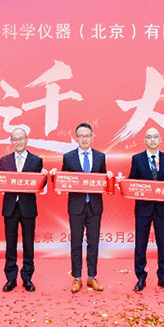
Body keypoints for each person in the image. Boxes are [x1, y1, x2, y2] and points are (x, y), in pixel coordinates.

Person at [58, 123, 111, 293]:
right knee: (76, 242)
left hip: (94, 206)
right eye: (81, 136)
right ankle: (77, 278)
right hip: (76, 206)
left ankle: (91, 277)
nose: (84, 139)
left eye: (87, 135)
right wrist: (53, 176)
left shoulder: (100, 157)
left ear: (92, 137)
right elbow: (63, 180)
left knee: (93, 243)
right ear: (76, 138)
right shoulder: (69, 157)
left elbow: (103, 180)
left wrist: (109, 177)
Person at [129, 127, 164, 292]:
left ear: (160, 140)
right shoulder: (137, 159)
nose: (152, 140)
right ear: (145, 140)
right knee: (140, 244)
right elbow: (132, 181)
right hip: (143, 209)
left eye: (155, 137)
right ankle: (140, 277)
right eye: (149, 137)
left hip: (161, 209)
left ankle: (163, 277)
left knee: (163, 244)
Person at [0, 128, 46, 293]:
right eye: (15, 139)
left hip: (28, 207)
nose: (18, 142)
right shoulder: (4, 160)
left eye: (21, 139)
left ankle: (27, 278)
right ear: (11, 141)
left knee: (28, 244)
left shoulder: (36, 160)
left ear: (26, 140)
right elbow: (0, 181)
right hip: (10, 207)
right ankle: (10, 278)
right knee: (10, 244)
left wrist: (44, 177)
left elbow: (40, 184)